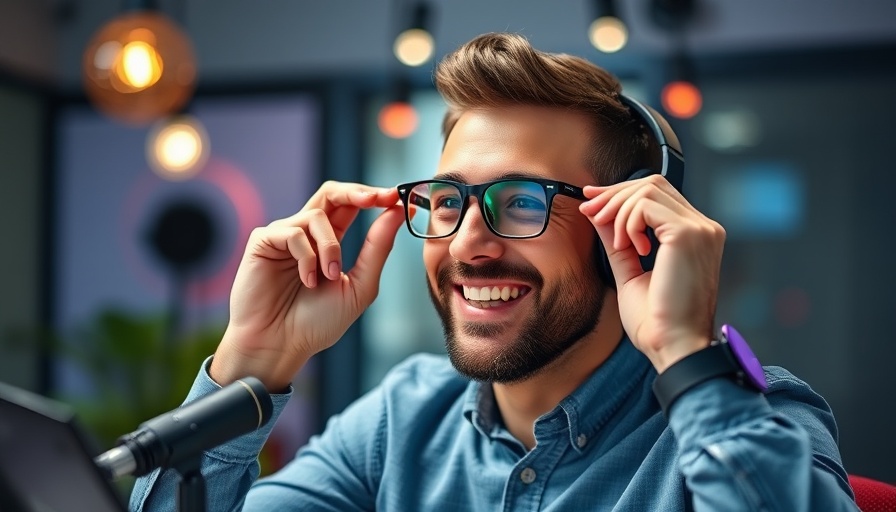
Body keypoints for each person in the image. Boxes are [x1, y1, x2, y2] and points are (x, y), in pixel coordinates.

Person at [131, 32, 857, 511]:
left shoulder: (760, 418)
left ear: (631, 233)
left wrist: (683, 353)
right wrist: (251, 363)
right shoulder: (402, 419)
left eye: (522, 201)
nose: (469, 243)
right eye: (448, 201)